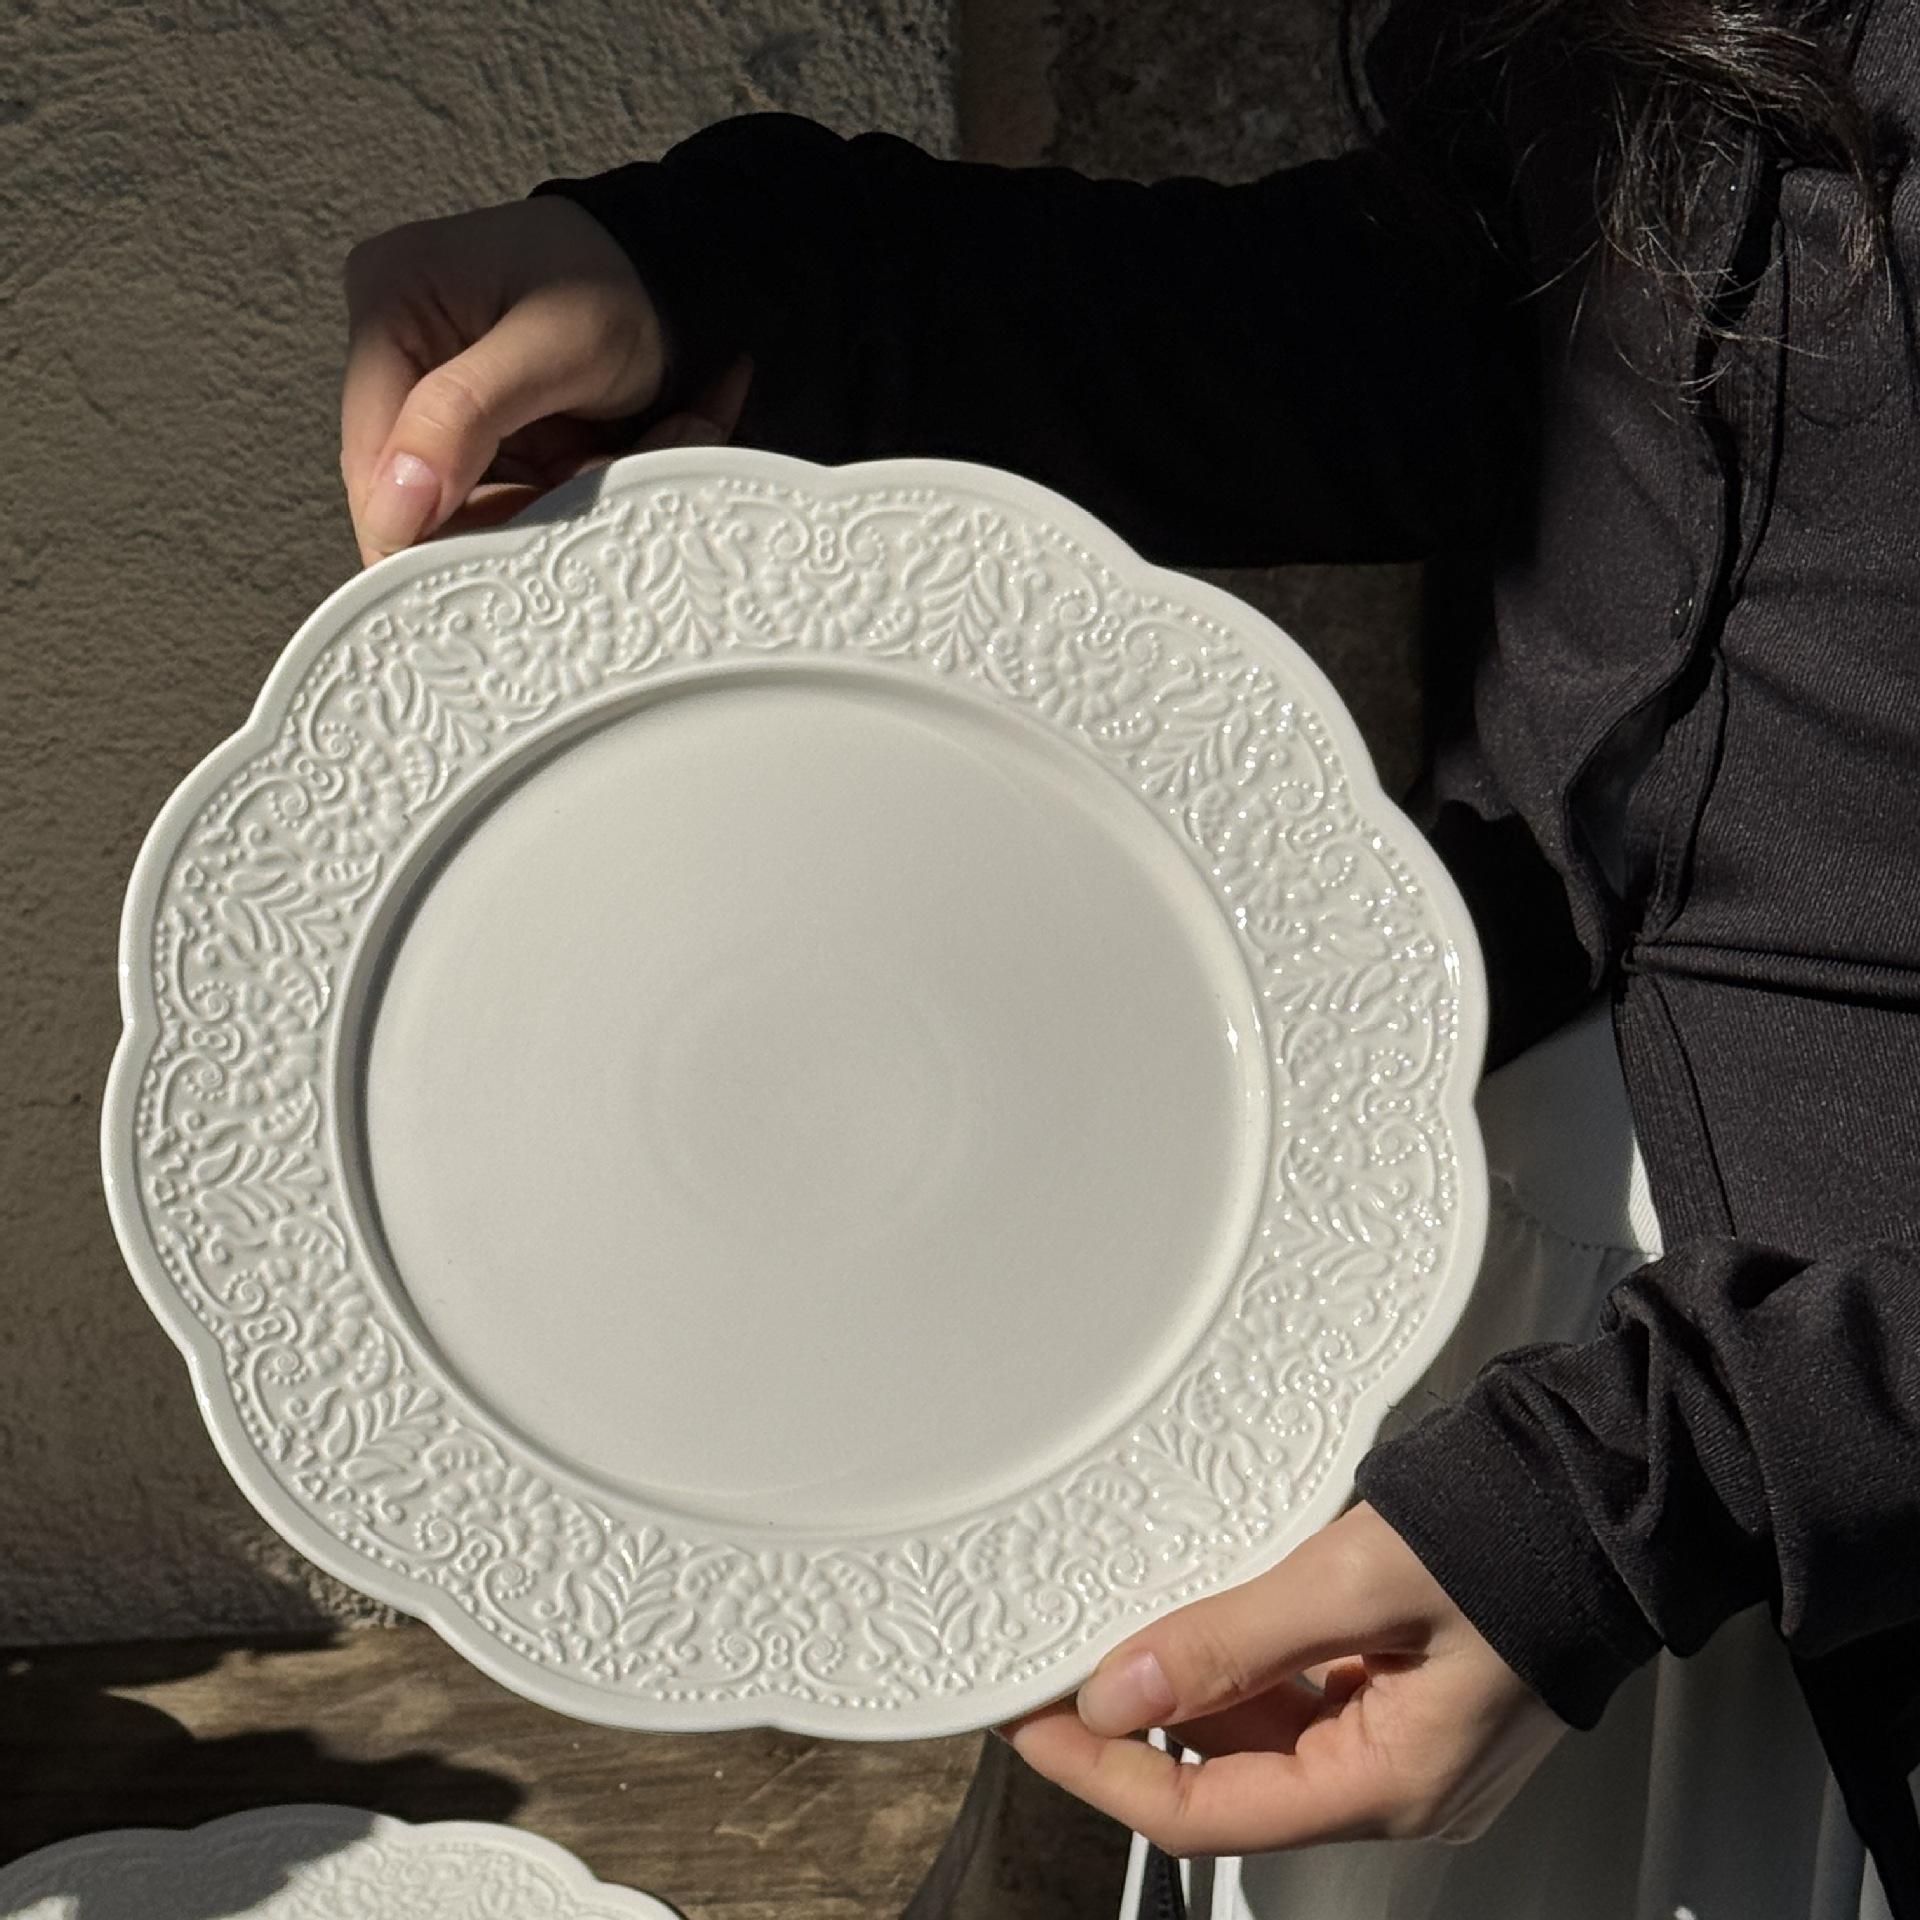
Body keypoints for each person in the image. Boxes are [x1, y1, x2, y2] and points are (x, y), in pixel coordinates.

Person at [336, 0, 1920, 1913]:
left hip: (1822, 1487)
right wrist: (739, 290)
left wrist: (1672, 1489)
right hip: (1494, 1357)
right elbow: (1540, 341)